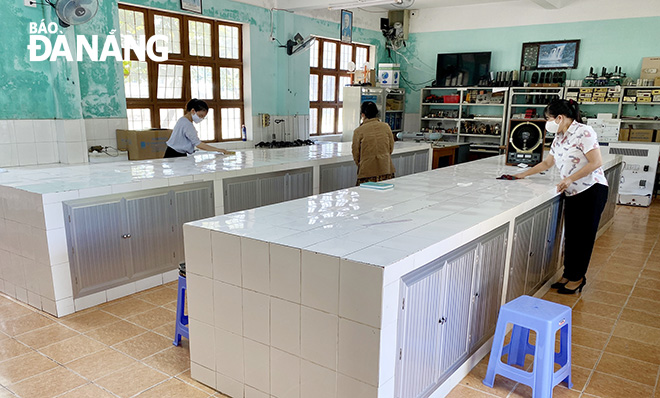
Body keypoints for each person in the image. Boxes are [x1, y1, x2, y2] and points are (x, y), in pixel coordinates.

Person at [512, 99, 608, 294]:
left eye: (548, 119)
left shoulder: (584, 132)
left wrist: (570, 179)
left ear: (560, 118)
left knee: (583, 237)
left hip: (591, 190)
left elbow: (596, 161)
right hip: (572, 191)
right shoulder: (559, 137)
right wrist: (522, 174)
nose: (547, 123)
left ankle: (577, 278)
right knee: (571, 236)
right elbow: (547, 163)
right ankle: (568, 273)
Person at [164, 99, 233, 158]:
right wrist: (219, 150)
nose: (201, 118)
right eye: (200, 115)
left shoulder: (182, 120)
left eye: (203, 117)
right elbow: (198, 144)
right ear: (193, 111)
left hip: (174, 152)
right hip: (174, 155)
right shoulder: (187, 124)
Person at [352, 101, 395, 185]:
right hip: (386, 169)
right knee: (386, 196)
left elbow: (356, 153)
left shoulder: (359, 131)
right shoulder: (386, 127)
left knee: (367, 197)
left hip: (367, 172)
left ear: (363, 115)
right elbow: (391, 148)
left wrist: (363, 163)